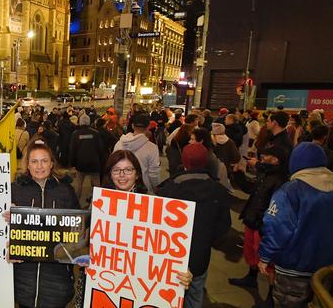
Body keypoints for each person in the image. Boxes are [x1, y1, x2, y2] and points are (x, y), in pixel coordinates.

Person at [258, 142, 333, 308]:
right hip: (326, 270)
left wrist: (264, 256)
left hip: (294, 268)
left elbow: (276, 227)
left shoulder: (290, 191)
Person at [157, 143, 231, 308]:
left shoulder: (167, 190)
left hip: (169, 258)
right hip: (200, 257)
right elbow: (223, 228)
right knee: (195, 296)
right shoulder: (218, 190)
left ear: (183, 161)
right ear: (205, 162)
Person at [11, 141, 80, 308]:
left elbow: (78, 229)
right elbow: (0, 234)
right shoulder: (14, 190)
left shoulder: (66, 191)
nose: (39, 166)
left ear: (52, 163)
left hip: (57, 282)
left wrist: (80, 252)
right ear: (27, 164)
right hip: (24, 282)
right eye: (34, 161)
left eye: (44, 161)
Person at [228, 146, 289, 306]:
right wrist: (238, 174)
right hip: (252, 218)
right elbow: (251, 189)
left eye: (267, 155)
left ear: (276, 160)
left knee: (267, 262)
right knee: (250, 251)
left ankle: (271, 295)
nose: (262, 156)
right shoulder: (266, 172)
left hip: (263, 224)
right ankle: (251, 277)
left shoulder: (281, 180)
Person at [113, 113, 161, 193]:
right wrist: (156, 188)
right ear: (148, 127)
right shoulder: (152, 148)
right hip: (142, 188)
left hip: (120, 185)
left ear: (132, 126)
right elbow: (153, 173)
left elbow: (112, 165)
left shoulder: (119, 143)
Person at [69, 114, 104, 205]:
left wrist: (73, 164)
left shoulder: (75, 134)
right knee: (97, 187)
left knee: (79, 186)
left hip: (81, 164)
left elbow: (72, 150)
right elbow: (101, 149)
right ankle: (100, 205)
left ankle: (75, 205)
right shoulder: (95, 133)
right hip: (94, 164)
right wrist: (100, 161)